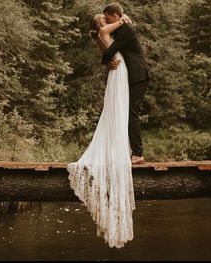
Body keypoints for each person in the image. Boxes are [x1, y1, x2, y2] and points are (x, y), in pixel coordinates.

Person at [67, 13, 135, 249]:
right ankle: (117, 149)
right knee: (117, 111)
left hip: (118, 71)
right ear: (100, 25)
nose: (107, 21)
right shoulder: (103, 32)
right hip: (118, 73)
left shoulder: (102, 35)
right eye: (104, 20)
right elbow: (123, 24)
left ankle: (119, 147)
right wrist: (123, 17)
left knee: (117, 112)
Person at [102, 2, 150, 165]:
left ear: (115, 15)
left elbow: (108, 53)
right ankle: (130, 150)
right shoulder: (121, 28)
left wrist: (106, 61)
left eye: (108, 18)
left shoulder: (125, 31)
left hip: (138, 76)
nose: (108, 21)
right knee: (128, 111)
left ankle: (137, 153)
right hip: (132, 76)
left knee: (132, 113)